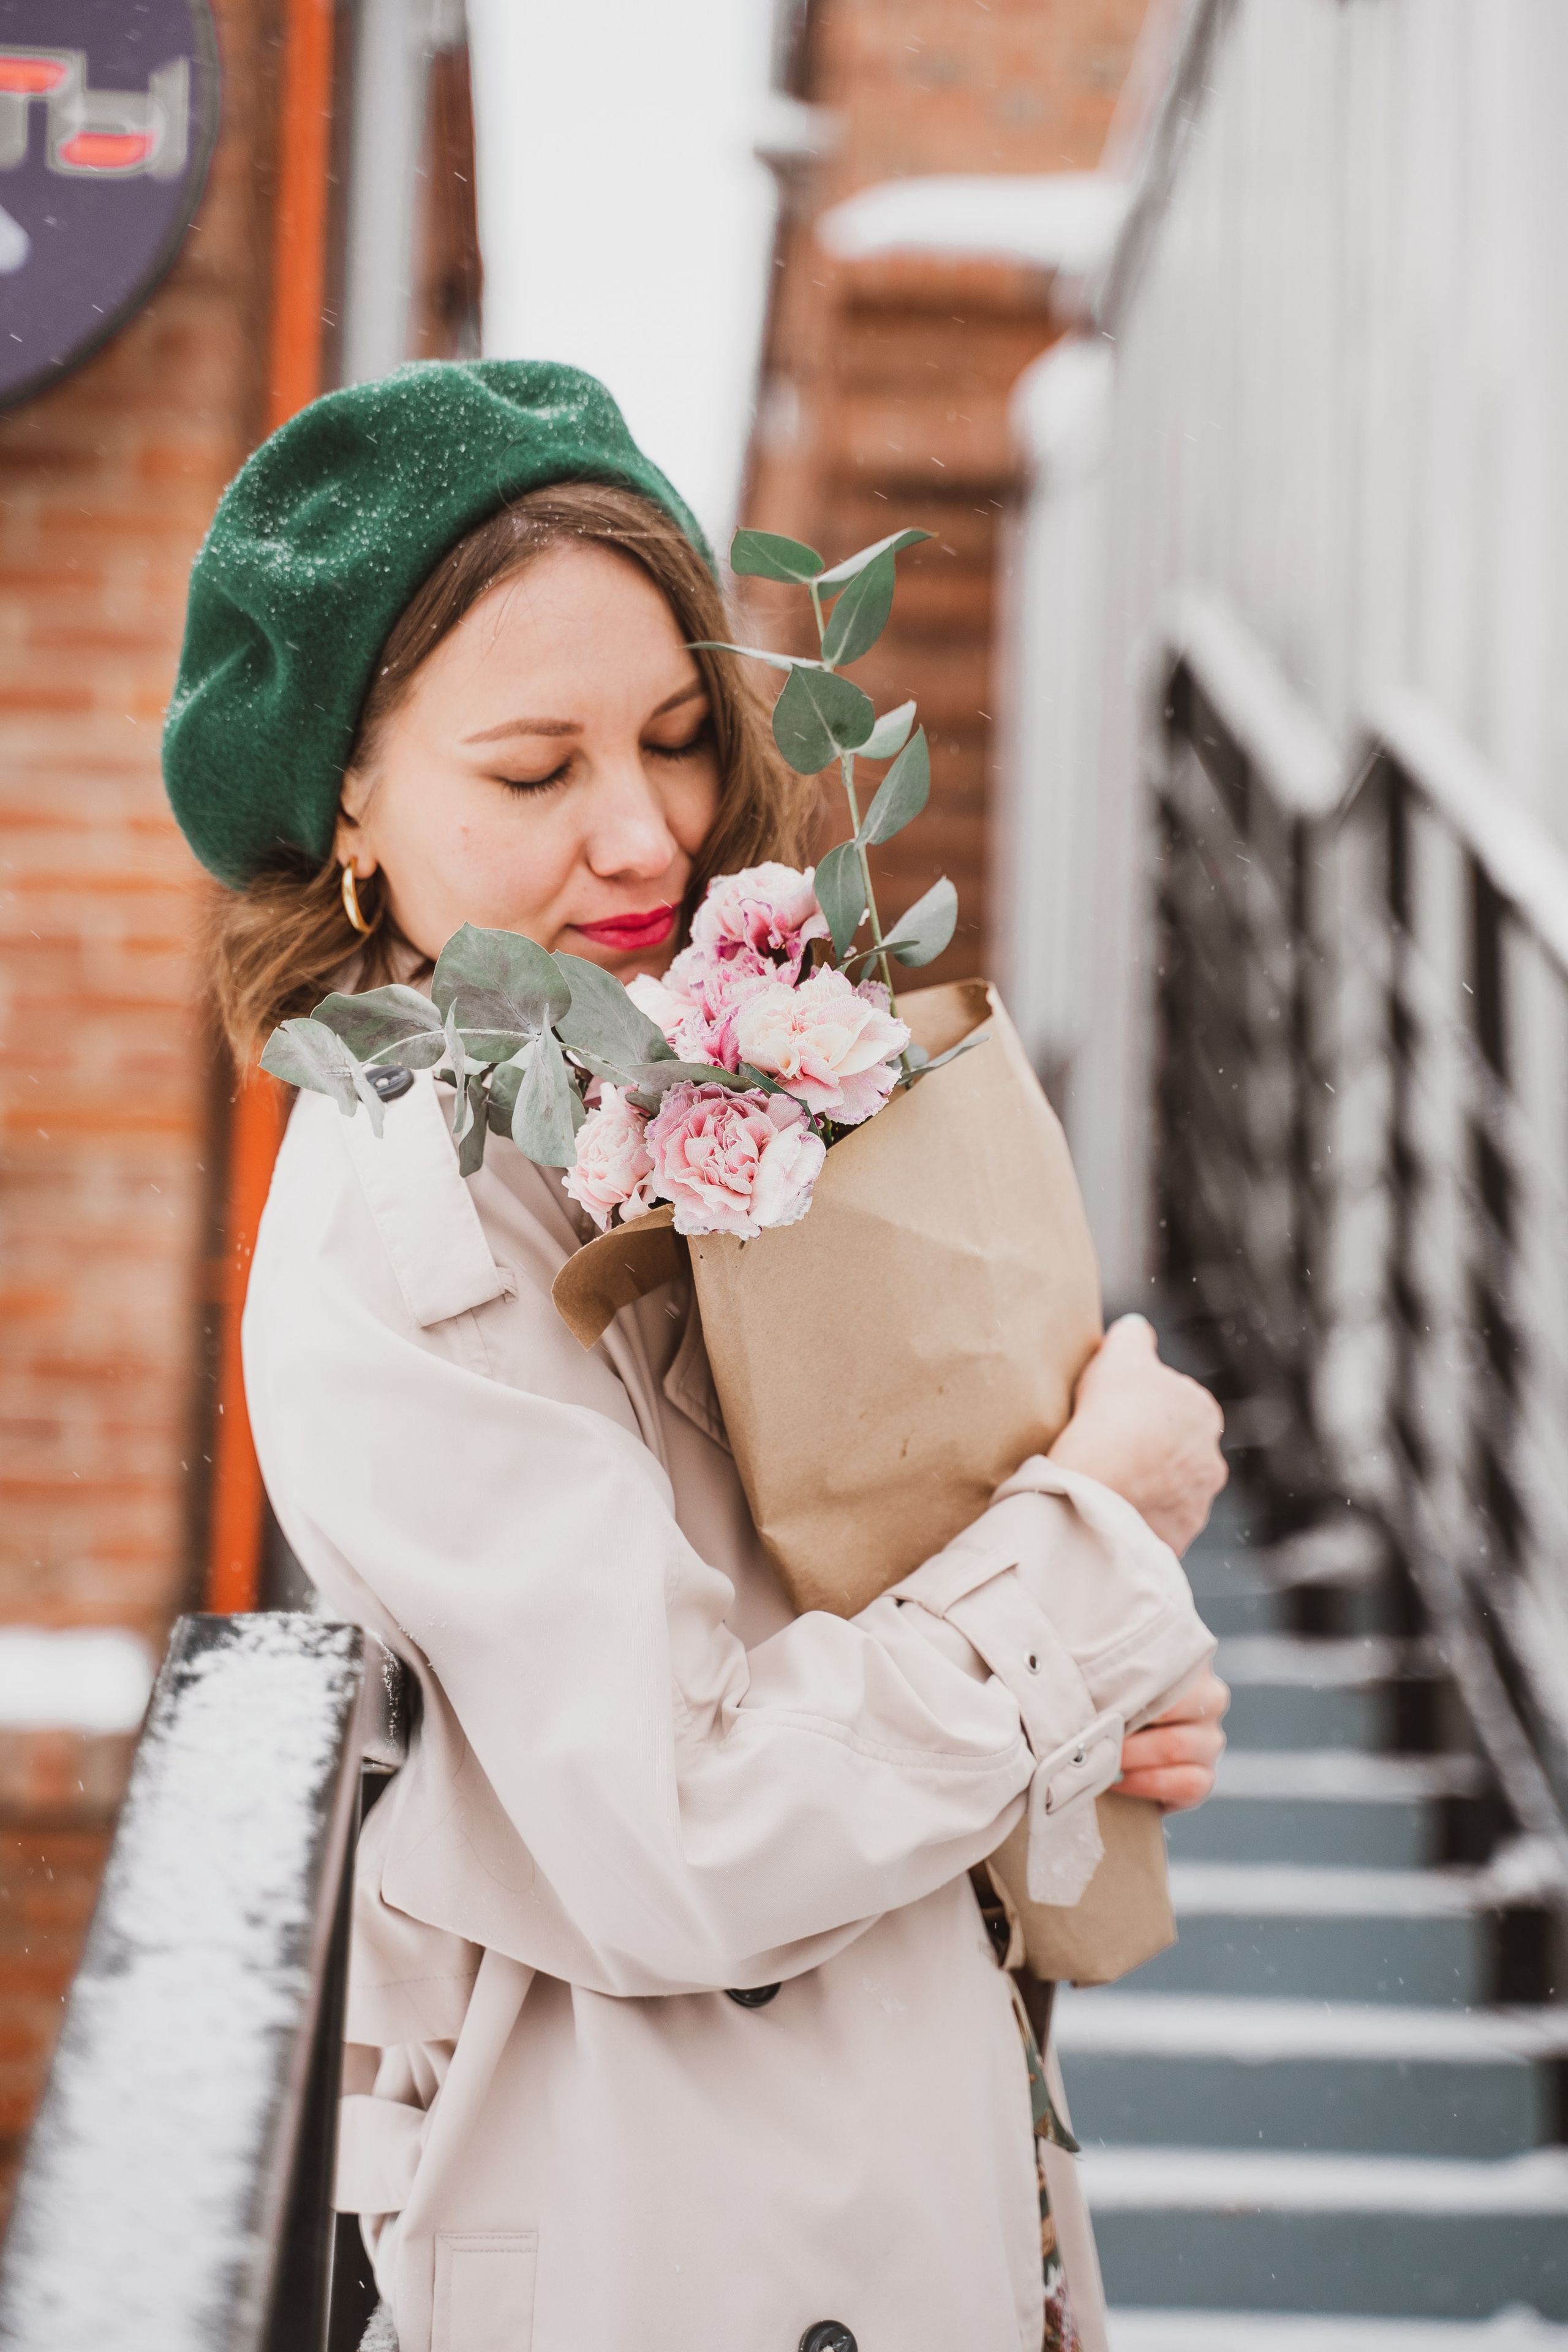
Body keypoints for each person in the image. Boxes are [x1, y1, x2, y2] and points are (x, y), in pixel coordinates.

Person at [164, 361, 1229, 2352]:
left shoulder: (631, 1101)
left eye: (672, 740)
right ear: (350, 811)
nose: (643, 831)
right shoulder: (420, 1210)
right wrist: (1100, 1532)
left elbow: (830, 1626)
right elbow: (697, 1832)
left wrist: (1086, 1720)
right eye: (531, 771)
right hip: (683, 2259)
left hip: (864, 2201)